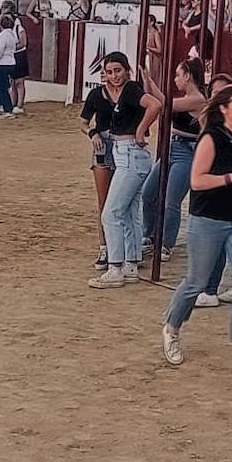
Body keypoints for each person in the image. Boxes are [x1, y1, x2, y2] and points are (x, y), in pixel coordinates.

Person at [160, 83, 232, 376]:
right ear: (224, 108)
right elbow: (197, 181)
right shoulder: (211, 138)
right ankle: (172, 327)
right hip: (209, 219)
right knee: (196, 282)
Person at [86, 52, 162, 289]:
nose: (114, 76)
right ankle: (130, 263)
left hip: (129, 152)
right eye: (109, 72)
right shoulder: (127, 90)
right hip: (129, 153)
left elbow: (155, 105)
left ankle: (116, 267)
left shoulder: (130, 90)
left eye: (118, 70)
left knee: (111, 213)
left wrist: (140, 132)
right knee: (128, 211)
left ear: (126, 70)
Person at [140, 58, 208, 263]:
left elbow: (164, 104)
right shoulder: (190, 98)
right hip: (173, 147)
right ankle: (151, 235)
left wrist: (150, 81)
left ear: (188, 76)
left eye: (178, 74)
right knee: (149, 192)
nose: (176, 79)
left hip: (187, 151)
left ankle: (166, 244)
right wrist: (148, 82)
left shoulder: (197, 98)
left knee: (172, 201)